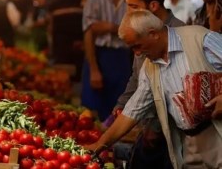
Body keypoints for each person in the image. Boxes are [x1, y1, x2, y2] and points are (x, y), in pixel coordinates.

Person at [86, 9, 222, 169]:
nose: (137, 53)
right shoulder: (149, 67)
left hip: (217, 134)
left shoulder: (199, 38)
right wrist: (100, 144)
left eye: (137, 46)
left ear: (153, 34)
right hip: (188, 144)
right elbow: (132, 111)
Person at [112, 0, 185, 169]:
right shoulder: (139, 29)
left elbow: (175, 91)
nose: (129, 13)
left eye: (134, 7)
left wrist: (154, 126)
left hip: (173, 134)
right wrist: (121, 106)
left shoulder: (179, 34)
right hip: (147, 127)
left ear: (153, 5)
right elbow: (137, 77)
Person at [82, 0, 131, 121]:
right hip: (99, 56)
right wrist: (94, 69)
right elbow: (89, 32)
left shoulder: (130, 1)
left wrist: (107, 27)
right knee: (94, 112)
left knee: (119, 110)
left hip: (123, 58)